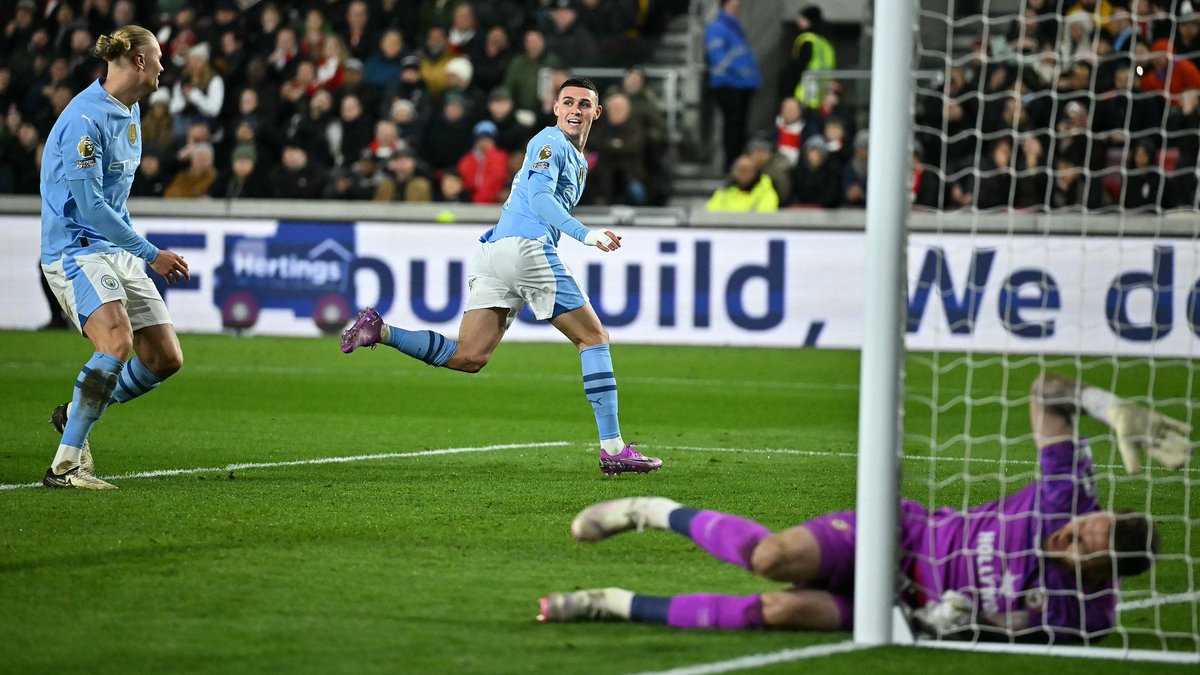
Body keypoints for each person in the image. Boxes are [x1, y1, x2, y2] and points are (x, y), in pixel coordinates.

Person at [539, 372, 1192, 641]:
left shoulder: (1087, 617)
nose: (1070, 536)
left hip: (908, 608)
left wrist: (964, 624)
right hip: (899, 533)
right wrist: (1109, 407)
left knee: (780, 610)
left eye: (1083, 549)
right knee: (771, 557)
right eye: (1084, 528)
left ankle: (610, 603)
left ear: (1100, 573)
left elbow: (1013, 641)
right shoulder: (1065, 494)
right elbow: (1046, 391)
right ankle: (651, 509)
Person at [341, 77, 662, 476]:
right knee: (593, 337)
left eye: (583, 104)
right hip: (525, 249)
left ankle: (381, 331)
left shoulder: (575, 157)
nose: (575, 110)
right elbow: (540, 198)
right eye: (568, 102)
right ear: (556, 109)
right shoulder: (550, 142)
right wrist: (586, 234)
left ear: (596, 113)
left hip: (494, 253)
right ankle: (613, 449)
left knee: (469, 356)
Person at [39, 25, 190, 490]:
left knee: (165, 358)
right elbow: (89, 207)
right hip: (75, 250)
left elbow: (115, 197)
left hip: (114, 249)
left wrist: (132, 250)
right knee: (117, 343)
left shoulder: (131, 109)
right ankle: (65, 466)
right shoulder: (83, 120)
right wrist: (151, 253)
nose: (164, 64)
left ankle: (74, 413)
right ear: (139, 61)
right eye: (158, 56)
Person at [705, 0, 762, 169]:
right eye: (734, 4)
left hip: (742, 85)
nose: (738, 7)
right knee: (733, 126)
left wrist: (753, 79)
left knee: (739, 127)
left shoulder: (734, 28)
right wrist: (741, 72)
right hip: (729, 84)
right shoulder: (718, 27)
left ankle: (736, 163)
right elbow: (717, 57)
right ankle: (731, 164)